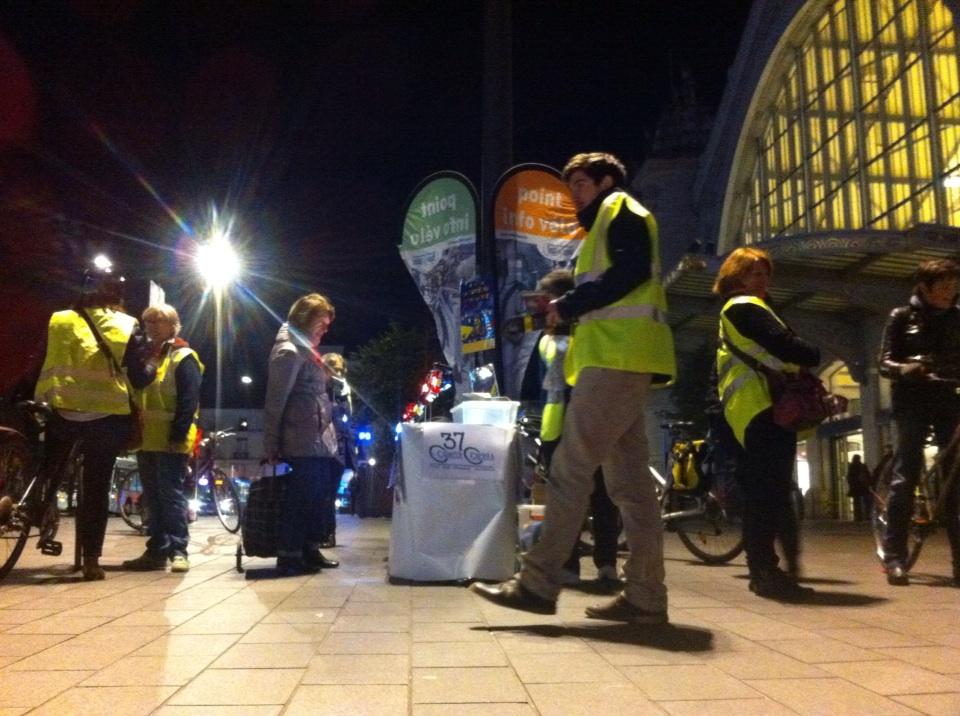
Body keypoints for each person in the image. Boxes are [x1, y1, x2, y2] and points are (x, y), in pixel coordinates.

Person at [471, 152, 676, 623]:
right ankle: (646, 596)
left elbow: (630, 273)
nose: (575, 196)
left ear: (605, 181)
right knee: (631, 487)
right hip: (625, 358)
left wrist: (571, 302)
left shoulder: (619, 210)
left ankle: (538, 583)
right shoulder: (612, 219)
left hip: (615, 360)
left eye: (581, 185)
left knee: (570, 470)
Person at [33, 257, 155, 580]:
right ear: (117, 295)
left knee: (49, 464)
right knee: (96, 485)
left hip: (61, 410)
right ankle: (90, 560)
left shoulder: (59, 319)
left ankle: (35, 507)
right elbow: (141, 378)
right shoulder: (126, 325)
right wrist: (153, 364)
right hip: (104, 416)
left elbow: (41, 358)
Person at [713, 247, 820, 601]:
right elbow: (788, 347)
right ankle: (763, 570)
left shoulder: (745, 309)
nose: (762, 279)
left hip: (756, 408)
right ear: (736, 277)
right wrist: (810, 353)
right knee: (767, 494)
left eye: (765, 273)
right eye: (753, 273)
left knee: (771, 493)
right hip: (761, 406)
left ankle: (769, 568)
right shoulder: (745, 307)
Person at [534, 269, 621, 588]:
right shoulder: (549, 337)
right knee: (582, 496)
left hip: (581, 418)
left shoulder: (583, 332)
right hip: (559, 422)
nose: (545, 308)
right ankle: (578, 564)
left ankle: (606, 563)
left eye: (547, 300)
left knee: (597, 495)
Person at [879, 258, 960, 587]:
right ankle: (894, 557)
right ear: (924, 288)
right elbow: (883, 363)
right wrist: (905, 368)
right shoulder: (901, 317)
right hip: (912, 402)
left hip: (948, 399)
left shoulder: (958, 318)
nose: (949, 293)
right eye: (942, 287)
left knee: (955, 479)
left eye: (953, 287)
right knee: (906, 473)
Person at [122, 304, 203, 573]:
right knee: (153, 498)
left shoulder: (183, 357)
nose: (152, 326)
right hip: (146, 439)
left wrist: (179, 434)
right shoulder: (144, 357)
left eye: (159, 321)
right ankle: (157, 549)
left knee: (170, 497)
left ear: (173, 325)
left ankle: (179, 550)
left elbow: (188, 401)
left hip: (171, 439)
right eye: (148, 322)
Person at [263, 293, 340, 576]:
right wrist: (270, 444)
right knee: (301, 496)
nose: (326, 328)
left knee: (316, 494)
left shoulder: (305, 348)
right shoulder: (289, 352)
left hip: (316, 439)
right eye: (322, 322)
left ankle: (308, 547)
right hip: (301, 438)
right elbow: (275, 401)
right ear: (306, 319)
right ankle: (290, 553)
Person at [320, 352, 355, 547]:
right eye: (331, 368)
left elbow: (346, 419)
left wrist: (341, 395)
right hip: (318, 447)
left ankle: (327, 534)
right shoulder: (317, 388)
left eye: (339, 369)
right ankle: (319, 533)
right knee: (320, 492)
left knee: (329, 492)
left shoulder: (342, 391)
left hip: (337, 449)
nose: (336, 373)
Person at [845, 454, 872, 523]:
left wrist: (851, 484)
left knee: (856, 503)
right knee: (866, 502)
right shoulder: (862, 466)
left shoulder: (851, 466)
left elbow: (849, 477)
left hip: (855, 488)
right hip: (863, 487)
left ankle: (858, 517)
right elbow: (868, 476)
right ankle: (867, 516)